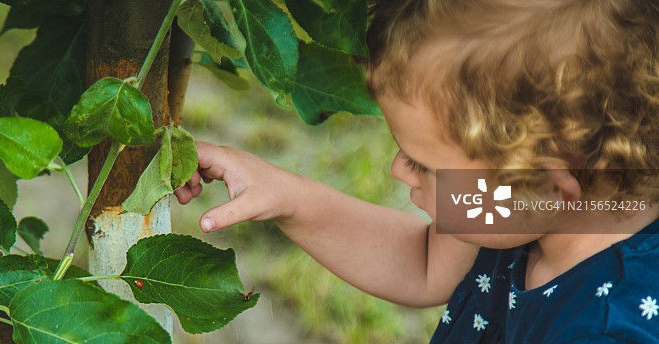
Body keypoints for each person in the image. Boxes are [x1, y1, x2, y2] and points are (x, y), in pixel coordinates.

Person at [174, 0, 659, 342]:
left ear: (550, 184)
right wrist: (288, 196)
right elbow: (425, 263)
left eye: (423, 164)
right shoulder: (518, 210)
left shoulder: (606, 329)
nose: (398, 170)